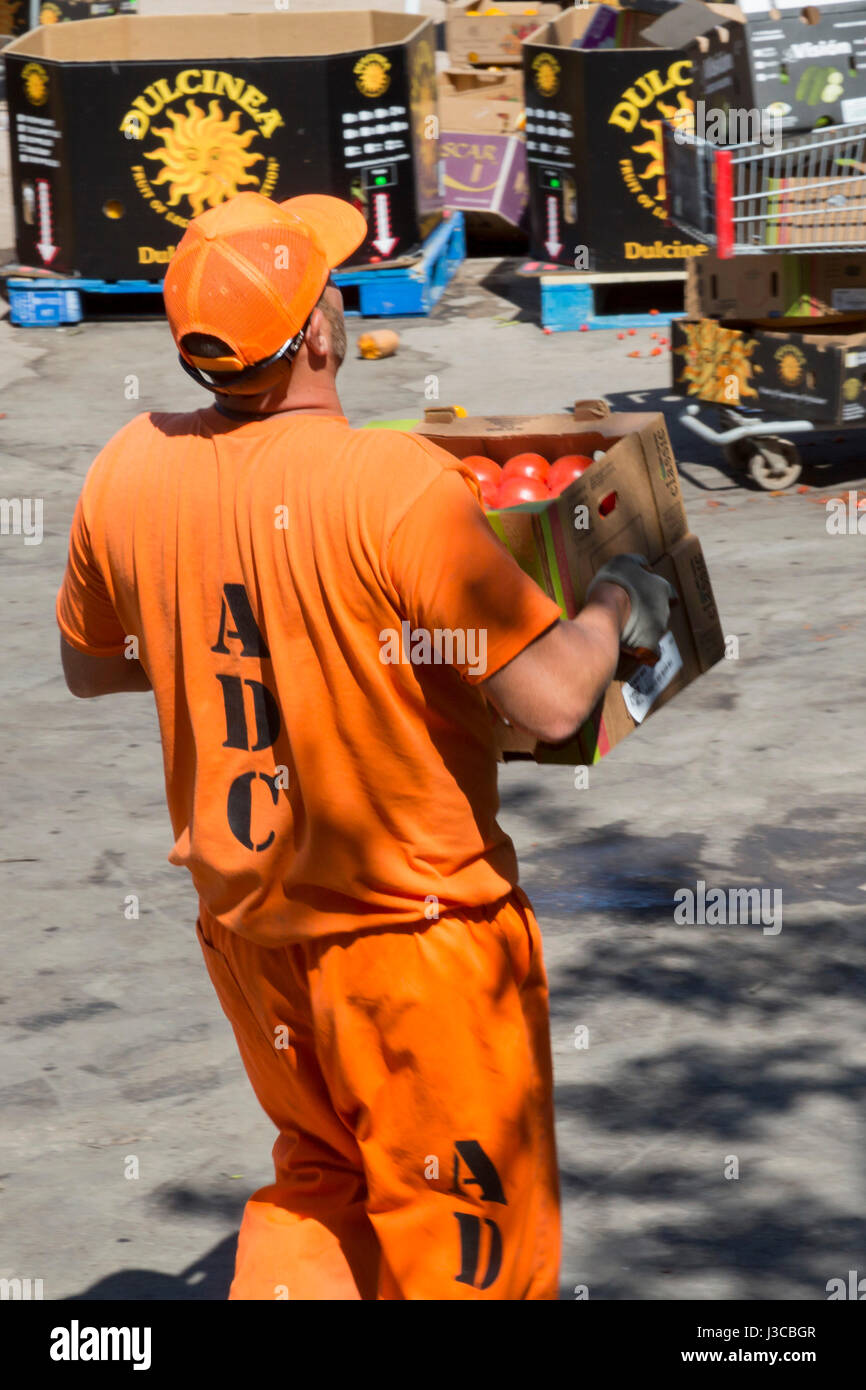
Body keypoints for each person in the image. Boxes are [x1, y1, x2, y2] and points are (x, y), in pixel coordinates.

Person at [57, 190, 674, 1301]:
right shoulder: (392, 486)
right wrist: (618, 604)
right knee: (466, 1244)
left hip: (254, 940)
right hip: (416, 948)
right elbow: (545, 702)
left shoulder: (128, 470)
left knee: (326, 1181)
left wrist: (243, 642)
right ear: (320, 335)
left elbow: (93, 662)